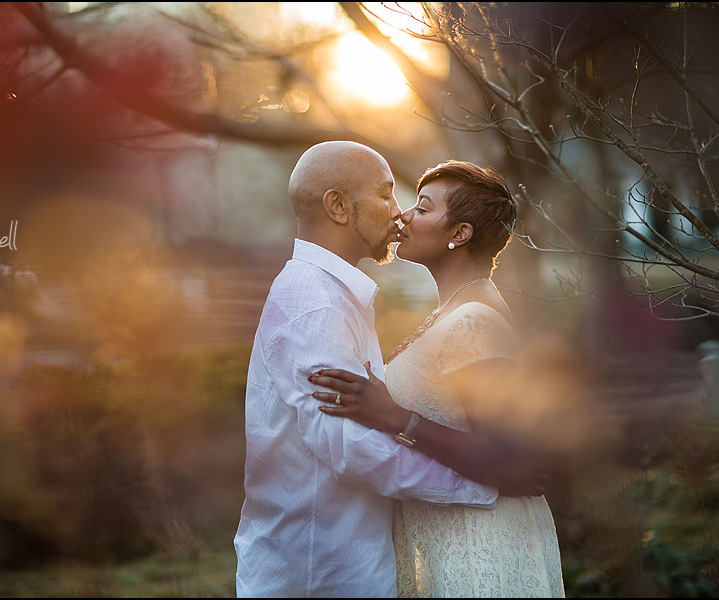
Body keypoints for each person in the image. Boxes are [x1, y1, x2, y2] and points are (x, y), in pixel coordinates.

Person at [234, 142, 515, 598]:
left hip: (340, 563)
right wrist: (483, 486)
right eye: (386, 195)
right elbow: (350, 448)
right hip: (316, 570)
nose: (399, 213)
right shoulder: (317, 303)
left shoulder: (337, 295)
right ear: (339, 207)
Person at [311, 160, 565, 597]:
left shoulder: (474, 320)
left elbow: (509, 459)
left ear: (460, 233)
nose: (403, 216)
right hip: (445, 539)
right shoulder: (451, 312)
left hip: (479, 545)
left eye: (423, 208)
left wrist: (395, 417)